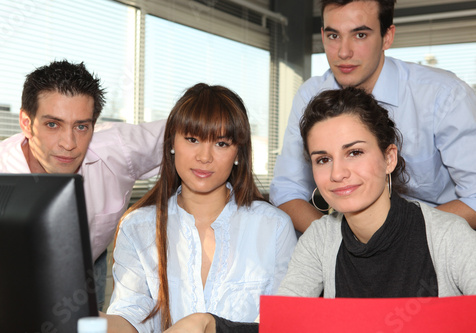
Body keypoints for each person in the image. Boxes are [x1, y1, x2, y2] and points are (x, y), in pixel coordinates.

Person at [161, 87, 476, 333]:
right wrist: (209, 324)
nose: (338, 173)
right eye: (323, 159)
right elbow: (283, 327)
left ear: (389, 158)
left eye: (354, 152)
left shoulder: (446, 235)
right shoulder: (321, 240)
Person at [101, 83, 297, 332]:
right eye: (193, 139)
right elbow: (131, 317)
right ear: (172, 143)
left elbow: (284, 323)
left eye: (221, 144)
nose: (205, 157)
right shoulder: (137, 226)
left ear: (238, 153)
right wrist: (84, 318)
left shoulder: (273, 226)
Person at [270, 0, 476, 233]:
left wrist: (391, 238)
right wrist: (336, 243)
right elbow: (287, 190)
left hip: (431, 240)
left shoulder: (444, 95)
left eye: (359, 35)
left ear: (387, 37)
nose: (343, 52)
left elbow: (474, 198)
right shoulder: (310, 95)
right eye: (333, 36)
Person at [0, 60, 166, 310]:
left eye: (81, 126)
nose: (69, 143)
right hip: (11, 276)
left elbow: (191, 131)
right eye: (52, 124)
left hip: (86, 263)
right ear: (26, 123)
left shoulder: (118, 149)